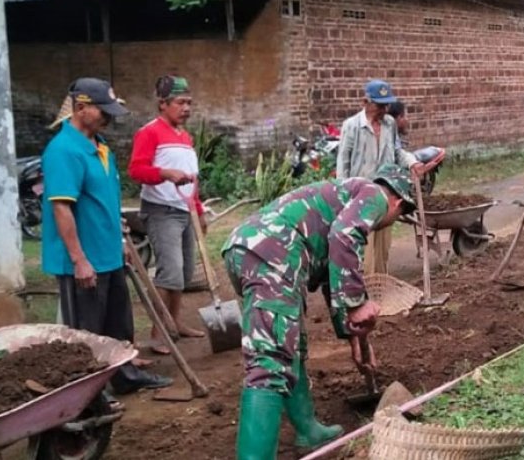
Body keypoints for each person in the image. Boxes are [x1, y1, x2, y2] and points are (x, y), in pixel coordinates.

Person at [221, 164, 416, 458]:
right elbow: (344, 237)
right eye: (399, 216)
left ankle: (307, 429)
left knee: (290, 342)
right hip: (275, 255)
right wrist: (356, 304)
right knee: (270, 360)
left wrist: (351, 334)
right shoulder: (375, 195)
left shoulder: (346, 196)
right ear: (398, 203)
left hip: (259, 251)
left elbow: (333, 274)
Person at [41, 77, 172, 396]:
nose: (109, 117)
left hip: (108, 254)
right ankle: (92, 391)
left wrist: (120, 243)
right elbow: (61, 208)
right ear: (81, 108)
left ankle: (123, 374)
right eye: (104, 111)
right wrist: (79, 259)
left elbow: (106, 204)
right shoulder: (63, 150)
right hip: (83, 261)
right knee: (88, 332)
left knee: (118, 324)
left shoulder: (100, 149)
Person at [128, 75, 206, 355]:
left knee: (183, 274)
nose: (186, 108)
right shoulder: (149, 132)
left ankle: (175, 323)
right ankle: (158, 333)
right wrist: (164, 174)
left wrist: (198, 211)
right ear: (163, 104)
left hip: (184, 211)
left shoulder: (185, 137)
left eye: (189, 103)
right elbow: (136, 170)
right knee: (169, 272)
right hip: (161, 211)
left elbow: (192, 180)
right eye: (180, 103)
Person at [337, 80, 422, 275]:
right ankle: (366, 291)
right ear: (365, 101)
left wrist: (412, 163)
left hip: (386, 195)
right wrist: (343, 197)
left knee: (382, 249)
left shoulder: (389, 124)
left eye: (387, 105)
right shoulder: (351, 126)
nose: (384, 109)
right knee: (365, 250)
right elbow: (343, 165)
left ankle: (381, 287)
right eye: (380, 104)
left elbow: (397, 151)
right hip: (360, 197)